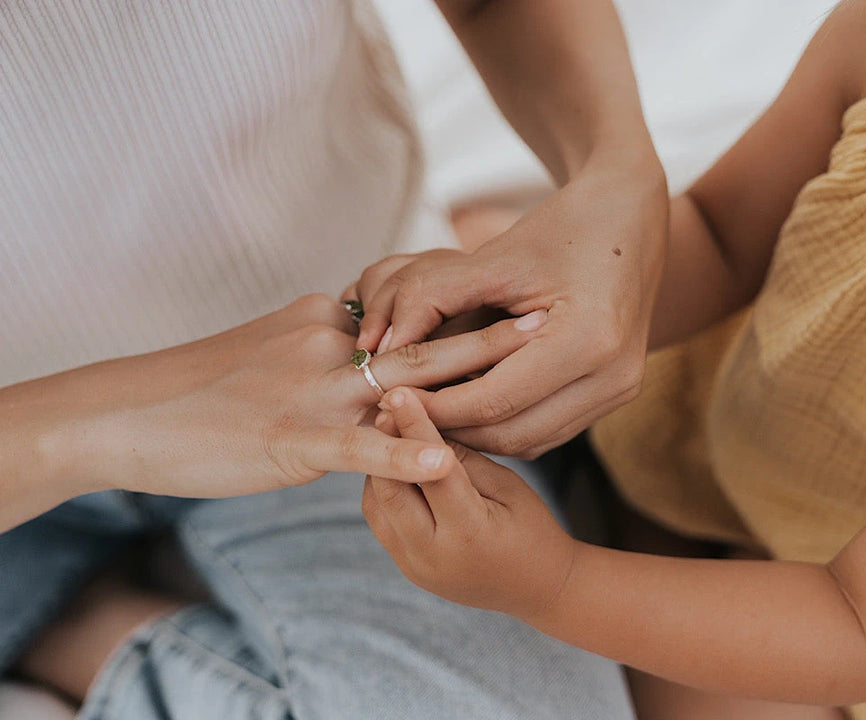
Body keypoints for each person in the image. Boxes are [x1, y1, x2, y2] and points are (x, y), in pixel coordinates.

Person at [361, 0, 866, 718]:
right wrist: (531, 317)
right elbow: (721, 233)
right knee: (567, 284)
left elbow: (860, 626)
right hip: (711, 428)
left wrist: (552, 583)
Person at [0, 0, 666, 717]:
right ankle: (50, 611)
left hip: (320, 370)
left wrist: (618, 179)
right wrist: (90, 431)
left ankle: (59, 615)